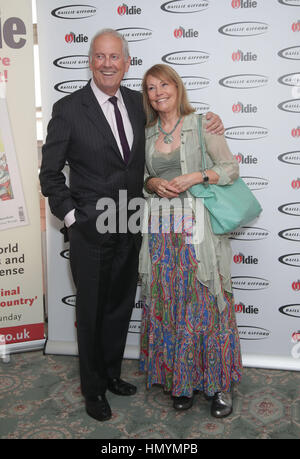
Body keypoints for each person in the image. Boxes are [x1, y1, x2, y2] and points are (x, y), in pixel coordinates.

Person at [39, 29, 225, 422]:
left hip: (134, 224)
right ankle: (93, 390)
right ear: (90, 61)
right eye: (100, 56)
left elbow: (175, 125)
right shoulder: (69, 108)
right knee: (90, 311)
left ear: (126, 63)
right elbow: (50, 174)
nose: (107, 64)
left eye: (115, 57)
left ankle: (111, 374)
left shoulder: (138, 103)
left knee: (120, 307)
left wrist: (212, 124)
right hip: (91, 228)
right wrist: (73, 219)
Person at [139, 64, 242, 418]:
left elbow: (230, 168)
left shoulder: (202, 125)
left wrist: (196, 176)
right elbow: (143, 177)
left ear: (177, 87)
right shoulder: (148, 133)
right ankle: (181, 383)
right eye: (151, 88)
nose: (158, 93)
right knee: (171, 307)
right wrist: (153, 184)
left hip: (200, 238)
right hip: (161, 235)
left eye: (163, 84)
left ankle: (218, 387)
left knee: (207, 308)